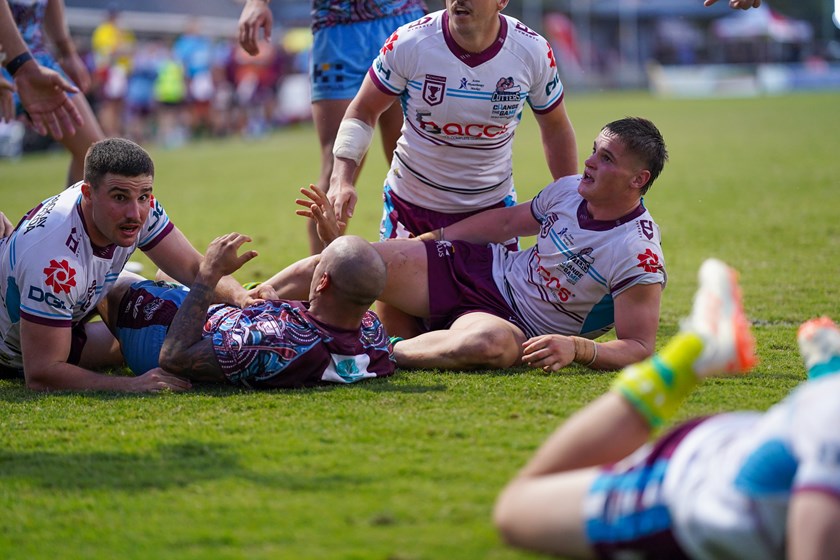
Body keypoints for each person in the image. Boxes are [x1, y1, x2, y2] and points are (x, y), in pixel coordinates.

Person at [493, 258, 840, 560]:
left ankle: (826, 377)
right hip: (688, 489)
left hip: (743, 444)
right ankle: (694, 352)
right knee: (517, 509)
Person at [266, 116, 667, 372]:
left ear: (638, 180)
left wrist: (577, 348)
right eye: (594, 151)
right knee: (354, 259)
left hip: (517, 326)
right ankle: (246, 304)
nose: (590, 162)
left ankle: (370, 351)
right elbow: (505, 222)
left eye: (607, 159)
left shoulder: (638, 252)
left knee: (489, 345)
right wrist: (430, 242)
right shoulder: (568, 191)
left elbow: (638, 346)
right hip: (480, 270)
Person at [0, 138, 261, 392]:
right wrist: (130, 384)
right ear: (88, 194)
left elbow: (194, 268)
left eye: (144, 196)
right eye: (120, 197)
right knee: (153, 343)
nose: (135, 214)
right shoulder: (54, 264)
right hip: (13, 353)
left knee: (152, 323)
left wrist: (242, 296)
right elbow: (41, 373)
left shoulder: (138, 205)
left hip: (74, 310)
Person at [328, 0, 578, 248]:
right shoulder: (409, 41)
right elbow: (363, 110)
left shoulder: (532, 50)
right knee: (375, 273)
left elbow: (555, 127)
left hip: (491, 213)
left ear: (502, 2)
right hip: (410, 210)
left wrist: (570, 199)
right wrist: (341, 179)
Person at [238, 0, 427, 254]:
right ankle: (322, 271)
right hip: (337, 27)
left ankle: (430, 267)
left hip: (402, 20)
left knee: (414, 166)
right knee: (336, 168)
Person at [101, 233, 394, 389]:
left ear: (323, 282)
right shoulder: (373, 335)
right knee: (169, 271)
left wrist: (209, 274)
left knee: (107, 283)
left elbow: (174, 357)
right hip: (216, 313)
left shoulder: (269, 343)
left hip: (165, 332)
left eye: (319, 265)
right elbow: (344, 289)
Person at [1, 0, 105, 184]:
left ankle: (74, 204)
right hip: (13, 58)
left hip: (36, 58)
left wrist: (67, 52)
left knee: (94, 153)